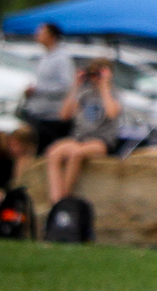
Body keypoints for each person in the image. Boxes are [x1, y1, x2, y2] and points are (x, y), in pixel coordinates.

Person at [44, 57, 123, 203]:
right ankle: (56, 199)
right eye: (92, 74)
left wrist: (104, 86)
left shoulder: (114, 93)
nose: (94, 78)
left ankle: (65, 199)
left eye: (97, 74)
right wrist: (75, 86)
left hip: (101, 140)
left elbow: (112, 112)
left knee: (76, 154)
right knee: (53, 153)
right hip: (80, 138)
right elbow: (64, 115)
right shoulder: (84, 93)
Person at [23, 23, 75, 153]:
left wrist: (38, 90)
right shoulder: (45, 56)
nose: (37, 35)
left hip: (52, 117)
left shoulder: (62, 58)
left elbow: (66, 86)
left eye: (41, 33)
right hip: (38, 113)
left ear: (52, 36)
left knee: (46, 152)